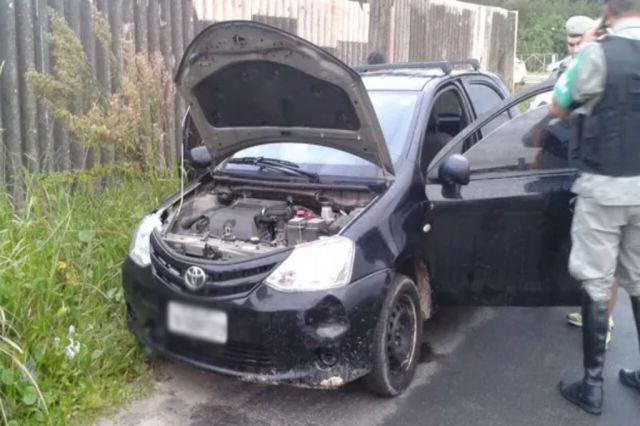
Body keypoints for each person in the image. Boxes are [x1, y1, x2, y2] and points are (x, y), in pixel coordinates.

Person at [550, 0, 640, 415]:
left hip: (603, 187)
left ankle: (591, 386)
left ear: (606, 10)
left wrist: (586, 45)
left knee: (596, 283)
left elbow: (558, 105)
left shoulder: (598, 55)